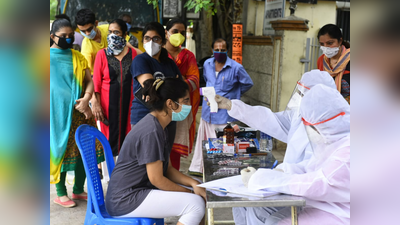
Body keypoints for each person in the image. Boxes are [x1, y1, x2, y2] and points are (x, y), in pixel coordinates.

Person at [234, 84, 350, 225]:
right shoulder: (333, 141)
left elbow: (320, 183)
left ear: (327, 123)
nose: (308, 131)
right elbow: (310, 168)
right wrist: (280, 171)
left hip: (342, 213)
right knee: (252, 207)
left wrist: (263, 179)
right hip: (323, 204)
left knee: (274, 221)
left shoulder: (350, 149)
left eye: (311, 126)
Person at [105, 78, 206, 225]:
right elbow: (157, 179)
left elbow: (168, 169)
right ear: (170, 103)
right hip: (125, 199)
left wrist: (193, 184)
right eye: (185, 101)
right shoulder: (151, 131)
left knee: (200, 187)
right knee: (195, 204)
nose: (189, 106)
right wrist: (189, 193)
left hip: (140, 190)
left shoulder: (164, 126)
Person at [212, 70, 337, 174]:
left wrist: (278, 173)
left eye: (304, 95)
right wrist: (231, 105)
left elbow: (313, 167)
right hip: (290, 180)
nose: (301, 99)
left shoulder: (332, 128)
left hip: (306, 188)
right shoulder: (300, 116)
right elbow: (268, 119)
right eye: (300, 93)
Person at [50, 18, 104, 208]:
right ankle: (61, 193)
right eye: (62, 36)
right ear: (52, 37)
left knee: (85, 150)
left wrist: (87, 97)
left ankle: (78, 189)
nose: (67, 38)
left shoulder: (78, 56)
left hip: (81, 111)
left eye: (70, 35)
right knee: (60, 151)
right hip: (57, 115)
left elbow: (89, 80)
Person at [188, 38, 254, 176]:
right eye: (216, 50)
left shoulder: (236, 67)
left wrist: (234, 95)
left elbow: (247, 83)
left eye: (222, 50)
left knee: (224, 144)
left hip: (224, 114)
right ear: (212, 50)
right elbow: (207, 80)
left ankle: (221, 170)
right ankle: (199, 168)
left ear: (227, 51)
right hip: (208, 112)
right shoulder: (207, 64)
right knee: (204, 140)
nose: (219, 52)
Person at [130, 22, 183, 154]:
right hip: (144, 116)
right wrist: (169, 87)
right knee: (145, 159)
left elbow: (180, 87)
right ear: (142, 41)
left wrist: (165, 88)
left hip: (168, 118)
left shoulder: (169, 63)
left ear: (163, 41)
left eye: (156, 38)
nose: (151, 42)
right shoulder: (140, 60)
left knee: (164, 159)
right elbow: (149, 86)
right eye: (147, 38)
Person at [91, 19, 138, 157]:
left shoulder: (133, 54)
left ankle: (124, 174)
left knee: (127, 139)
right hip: (106, 107)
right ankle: (108, 175)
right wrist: (96, 104)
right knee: (107, 141)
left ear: (124, 35)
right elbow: (96, 83)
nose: (112, 35)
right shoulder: (102, 54)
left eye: (116, 32)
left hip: (128, 105)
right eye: (110, 32)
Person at [165, 18, 200, 170]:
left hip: (179, 109)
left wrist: (173, 84)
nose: (178, 35)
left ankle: (174, 182)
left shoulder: (188, 56)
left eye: (182, 32)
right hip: (160, 105)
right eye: (175, 31)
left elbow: (195, 80)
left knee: (174, 146)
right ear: (167, 33)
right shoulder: (159, 54)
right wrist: (180, 80)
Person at [317, 24, 350, 103]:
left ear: (340, 41)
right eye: (322, 44)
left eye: (330, 43)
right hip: (328, 108)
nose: (326, 47)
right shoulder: (321, 60)